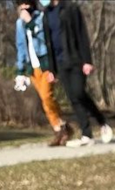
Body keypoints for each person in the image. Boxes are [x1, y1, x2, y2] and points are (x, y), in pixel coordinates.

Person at [41, 0, 112, 147]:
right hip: (60, 63)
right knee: (73, 98)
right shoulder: (46, 14)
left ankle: (102, 121)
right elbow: (48, 42)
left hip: (75, 59)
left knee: (79, 92)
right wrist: (51, 70)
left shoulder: (71, 8)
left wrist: (87, 61)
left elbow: (81, 35)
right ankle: (87, 135)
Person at [14, 0, 71, 146]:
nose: (24, 7)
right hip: (32, 68)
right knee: (45, 101)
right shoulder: (19, 24)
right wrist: (20, 70)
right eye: (21, 4)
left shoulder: (41, 17)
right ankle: (60, 129)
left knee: (47, 97)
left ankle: (61, 127)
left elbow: (45, 38)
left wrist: (30, 22)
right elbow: (21, 46)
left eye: (26, 4)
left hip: (45, 64)